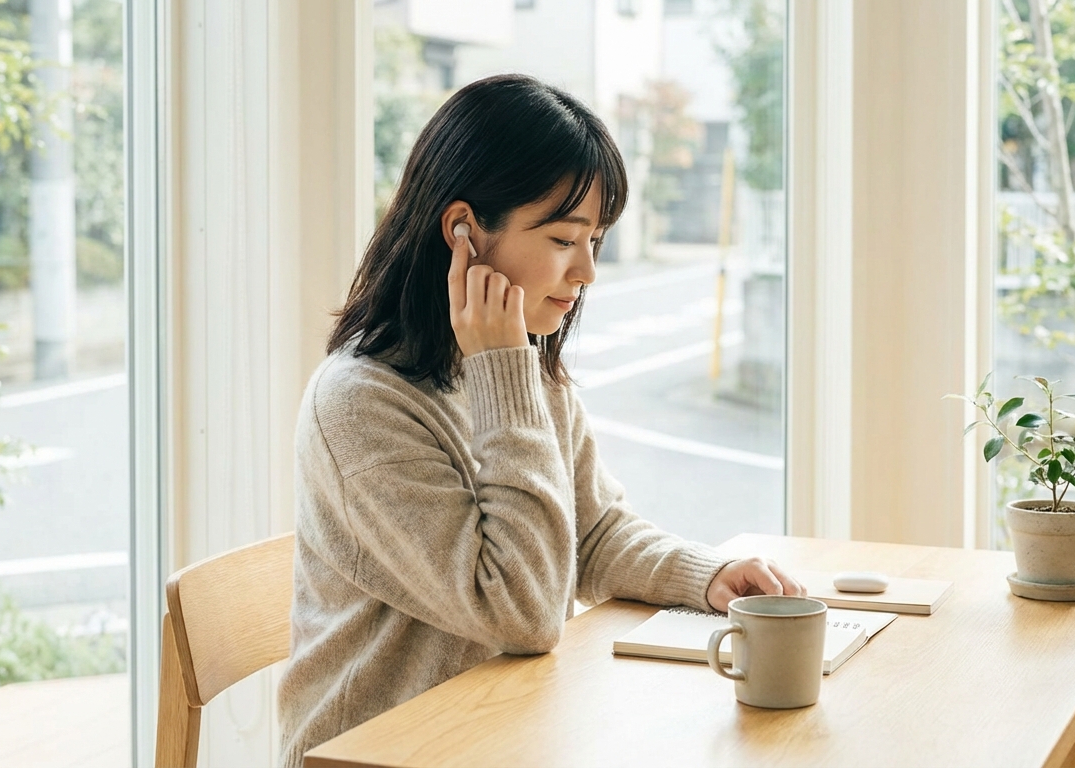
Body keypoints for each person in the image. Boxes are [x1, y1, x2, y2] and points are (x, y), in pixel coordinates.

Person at [276, 73, 803, 767]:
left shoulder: (515, 366)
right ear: (462, 230)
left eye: (598, 241)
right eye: (563, 238)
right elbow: (520, 611)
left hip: (504, 733)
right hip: (379, 752)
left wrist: (705, 576)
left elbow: (591, 528)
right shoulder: (362, 404)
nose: (586, 271)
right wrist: (502, 373)